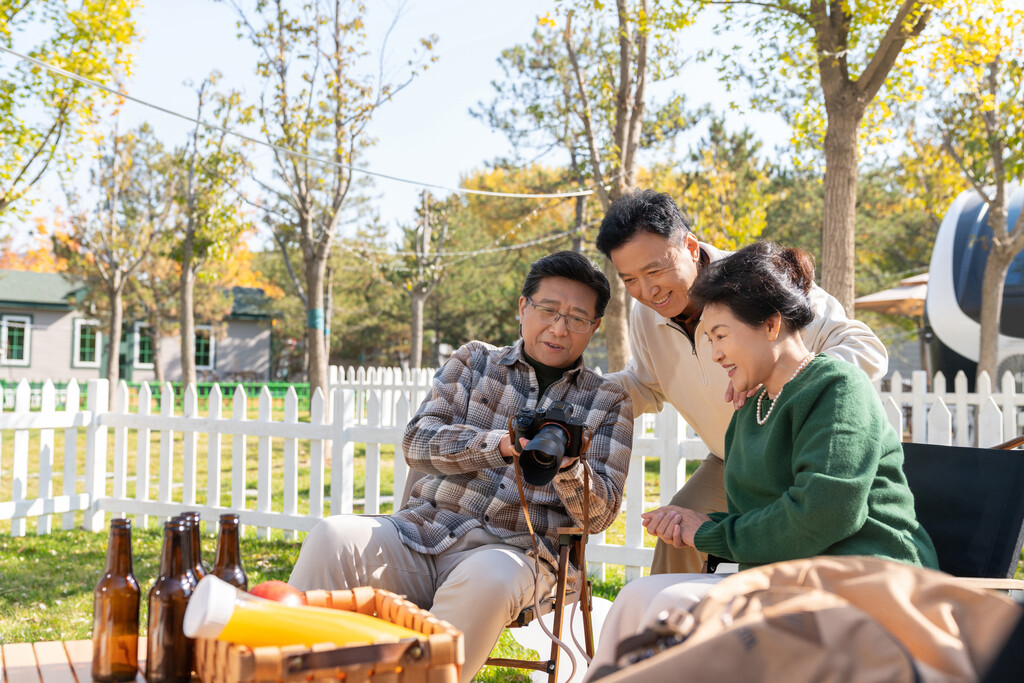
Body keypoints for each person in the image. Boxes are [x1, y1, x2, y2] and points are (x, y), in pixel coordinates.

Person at [583, 242, 937, 681]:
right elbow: (760, 514)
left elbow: (826, 513)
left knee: (672, 609)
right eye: (708, 338)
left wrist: (710, 531)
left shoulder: (837, 387)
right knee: (635, 597)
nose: (713, 354)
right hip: (789, 575)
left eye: (721, 336)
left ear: (771, 325)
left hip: (862, 578)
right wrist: (694, 521)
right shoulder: (749, 413)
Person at [288, 251, 634, 683]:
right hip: (425, 531)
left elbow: (599, 516)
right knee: (333, 536)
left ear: (595, 327)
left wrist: (567, 468)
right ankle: (292, 674)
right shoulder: (474, 361)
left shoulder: (608, 402)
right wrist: (499, 445)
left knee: (488, 577)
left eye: (578, 318)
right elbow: (417, 441)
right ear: (522, 306)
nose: (560, 327)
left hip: (516, 552)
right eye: (549, 309)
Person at [596, 189, 889, 574]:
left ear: (688, 244)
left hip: (807, 450)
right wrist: (580, 393)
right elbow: (647, 384)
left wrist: (786, 386)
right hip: (736, 461)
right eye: (629, 279)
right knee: (677, 529)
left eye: (654, 271)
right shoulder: (644, 315)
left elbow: (865, 347)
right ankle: (671, 633)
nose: (647, 291)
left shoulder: (754, 280)